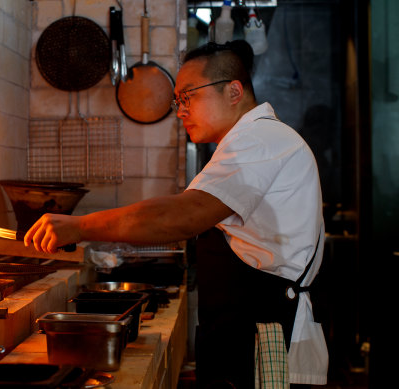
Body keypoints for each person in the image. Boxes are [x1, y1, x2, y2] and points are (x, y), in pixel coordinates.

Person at [24, 40, 328, 388]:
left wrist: (79, 227)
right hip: (246, 330)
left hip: (266, 337)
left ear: (233, 91)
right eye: (177, 101)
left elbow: (183, 215)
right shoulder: (245, 142)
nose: (180, 110)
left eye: (189, 96)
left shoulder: (260, 139)